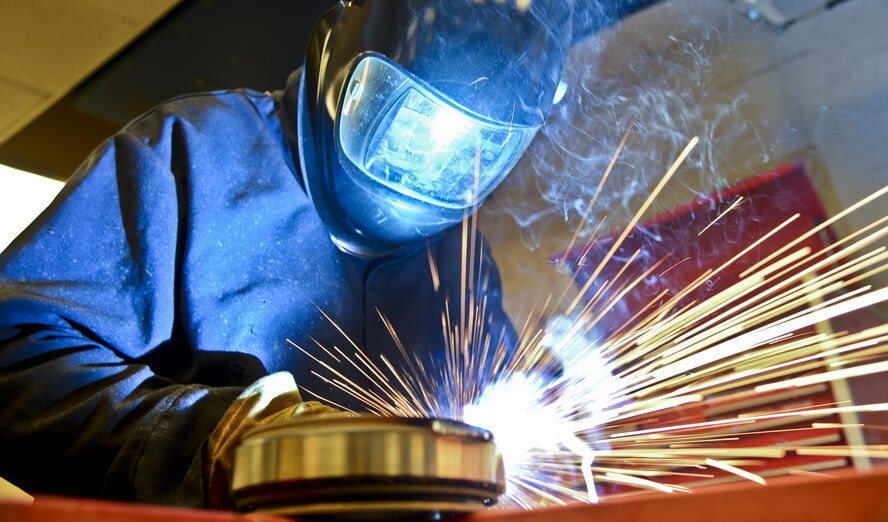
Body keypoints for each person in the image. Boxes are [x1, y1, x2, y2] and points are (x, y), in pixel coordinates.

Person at [0, 0, 659, 510]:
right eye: (404, 122)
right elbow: (15, 357)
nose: (424, 166)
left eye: (465, 154)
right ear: (343, 56)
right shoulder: (191, 156)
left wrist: (550, 411)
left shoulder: (457, 260)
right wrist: (215, 441)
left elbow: (482, 421)